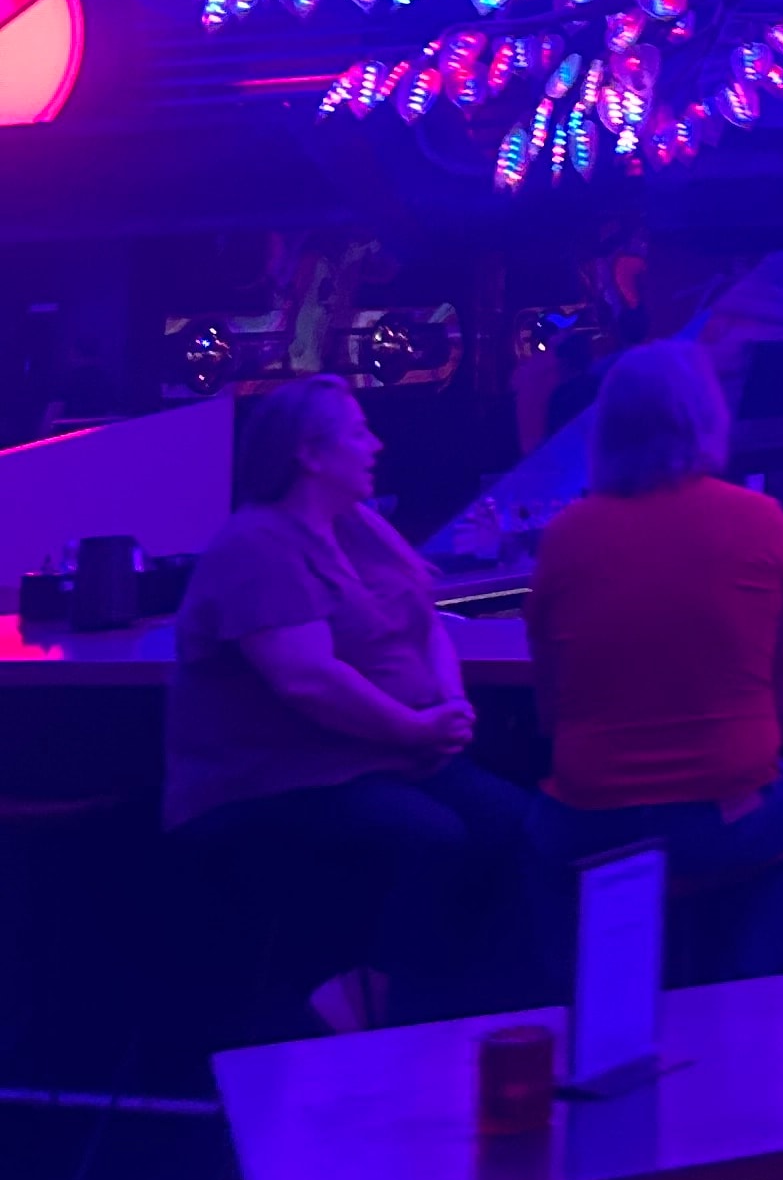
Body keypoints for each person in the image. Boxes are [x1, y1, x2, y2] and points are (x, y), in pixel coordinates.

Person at [168, 376, 532, 1030]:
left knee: (516, 826)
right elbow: (308, 679)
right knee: (433, 838)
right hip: (279, 776)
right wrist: (415, 728)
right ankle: (372, 1011)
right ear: (309, 454)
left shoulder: (359, 528)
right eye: (359, 432)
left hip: (380, 756)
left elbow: (425, 625)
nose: (377, 444)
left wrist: (449, 701)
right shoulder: (257, 544)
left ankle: (461, 1011)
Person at [524, 339, 783, 980]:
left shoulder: (565, 535)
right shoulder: (761, 519)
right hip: (724, 815)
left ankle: (593, 1005)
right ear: (705, 419)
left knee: (540, 835)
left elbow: (548, 713)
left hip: (590, 819)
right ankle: (741, 991)